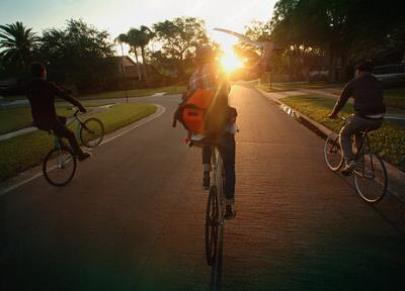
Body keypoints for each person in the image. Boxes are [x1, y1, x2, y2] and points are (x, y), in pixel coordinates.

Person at [178, 46, 237, 219]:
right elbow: (226, 90)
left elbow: (186, 98)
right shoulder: (219, 71)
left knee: (206, 134)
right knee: (229, 166)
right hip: (222, 127)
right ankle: (228, 205)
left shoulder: (194, 76)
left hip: (200, 128)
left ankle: (205, 173)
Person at [0, 62, 90, 160]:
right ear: (43, 72)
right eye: (45, 71)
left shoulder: (28, 86)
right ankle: (80, 156)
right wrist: (80, 106)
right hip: (51, 121)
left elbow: (10, 90)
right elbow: (66, 97)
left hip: (37, 121)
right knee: (71, 135)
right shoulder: (48, 85)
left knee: (63, 119)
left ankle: (61, 144)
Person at [329, 61, 385, 174]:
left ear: (358, 71)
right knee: (357, 131)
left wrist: (333, 113)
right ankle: (359, 163)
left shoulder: (353, 83)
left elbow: (341, 101)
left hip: (363, 117)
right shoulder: (378, 82)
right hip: (378, 120)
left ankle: (349, 162)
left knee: (344, 134)